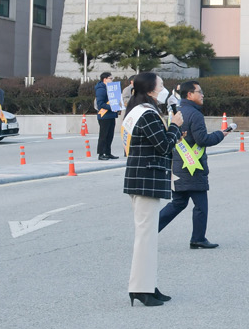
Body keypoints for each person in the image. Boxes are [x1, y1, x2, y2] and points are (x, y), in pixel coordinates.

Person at [122, 72, 182, 306]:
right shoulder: (146, 113)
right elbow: (163, 145)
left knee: (147, 237)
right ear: (150, 89)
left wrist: (173, 131)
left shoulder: (141, 111)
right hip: (146, 178)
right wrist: (175, 126)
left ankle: (147, 284)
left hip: (143, 178)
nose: (164, 89)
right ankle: (140, 288)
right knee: (146, 237)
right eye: (161, 85)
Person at [158, 80, 234, 250]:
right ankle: (198, 238)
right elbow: (202, 140)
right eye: (199, 92)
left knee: (178, 203)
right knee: (200, 205)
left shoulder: (177, 113)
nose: (202, 95)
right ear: (190, 94)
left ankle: (149, 230)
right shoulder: (195, 114)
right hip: (193, 167)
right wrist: (220, 134)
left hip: (178, 166)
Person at [95, 70, 120, 160]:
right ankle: (101, 153)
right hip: (104, 116)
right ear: (105, 79)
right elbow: (100, 103)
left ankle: (108, 152)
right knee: (103, 135)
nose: (112, 80)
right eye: (110, 78)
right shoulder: (101, 89)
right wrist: (111, 107)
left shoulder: (110, 88)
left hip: (111, 115)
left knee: (110, 135)